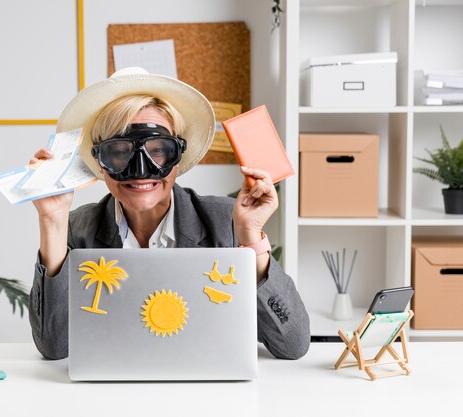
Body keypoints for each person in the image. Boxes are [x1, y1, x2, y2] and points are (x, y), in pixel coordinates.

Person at [28, 67, 310, 361]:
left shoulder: (227, 222)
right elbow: (54, 347)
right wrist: (53, 220)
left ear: (178, 157)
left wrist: (250, 237)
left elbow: (293, 345)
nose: (140, 171)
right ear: (100, 163)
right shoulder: (78, 229)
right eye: (119, 151)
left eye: (158, 149)